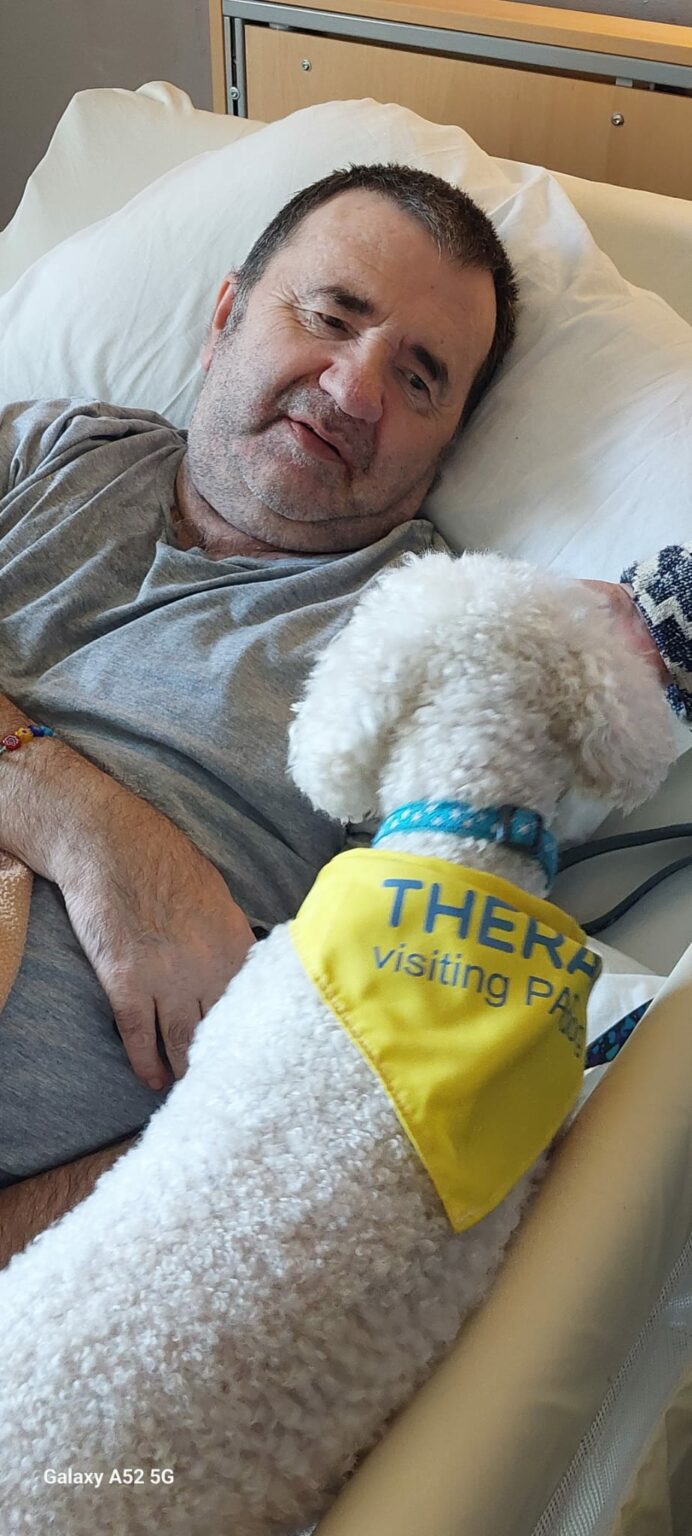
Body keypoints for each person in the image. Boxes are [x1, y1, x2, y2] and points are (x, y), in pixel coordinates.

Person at [0, 163, 688, 1268]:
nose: (356, 390)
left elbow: (348, 1097)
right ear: (224, 318)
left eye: (418, 378)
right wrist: (95, 834)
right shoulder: (48, 450)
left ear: (443, 447)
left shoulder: (434, 648)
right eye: (330, 316)